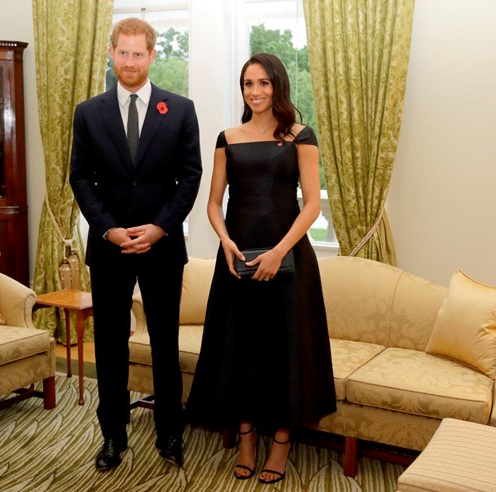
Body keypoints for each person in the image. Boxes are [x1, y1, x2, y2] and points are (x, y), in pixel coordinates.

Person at [186, 53, 336, 485]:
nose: (255, 91)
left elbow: (310, 205)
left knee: (284, 350)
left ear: (278, 86)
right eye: (248, 83)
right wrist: (227, 243)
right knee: (242, 349)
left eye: (264, 83)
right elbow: (214, 203)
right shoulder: (227, 138)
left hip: (288, 259)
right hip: (237, 260)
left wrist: (276, 252)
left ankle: (282, 442)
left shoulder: (300, 136)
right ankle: (247, 436)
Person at [70, 17, 202, 471]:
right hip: (109, 247)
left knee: (165, 343)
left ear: (152, 55)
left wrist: (159, 228)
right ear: (111, 53)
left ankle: (169, 434)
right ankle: (112, 437)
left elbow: (191, 178)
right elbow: (80, 179)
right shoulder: (88, 112)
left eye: (138, 53)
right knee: (109, 345)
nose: (130, 61)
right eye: (122, 53)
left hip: (162, 246)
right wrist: (108, 228)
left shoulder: (180, 109)